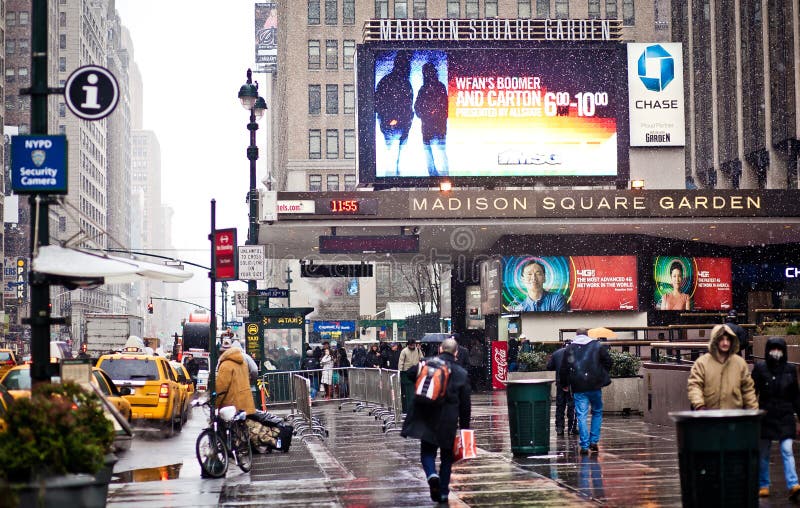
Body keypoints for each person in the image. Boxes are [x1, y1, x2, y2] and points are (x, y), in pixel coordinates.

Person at [401, 338, 471, 504]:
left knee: (427, 452)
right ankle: (444, 493)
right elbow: (465, 405)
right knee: (447, 457)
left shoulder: (427, 363)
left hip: (428, 415)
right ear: (456, 352)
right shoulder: (461, 373)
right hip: (448, 420)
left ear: (440, 349)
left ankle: (432, 475)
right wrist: (465, 428)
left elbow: (409, 374)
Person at [752, 337, 800, 500]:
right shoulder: (760, 368)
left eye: (779, 349)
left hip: (785, 416)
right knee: (764, 452)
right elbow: (752, 391)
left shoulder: (790, 369)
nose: (776, 352)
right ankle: (763, 485)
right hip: (766, 416)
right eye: (773, 348)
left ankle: (793, 484)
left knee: (787, 450)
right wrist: (752, 412)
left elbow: (795, 396)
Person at [559, 328, 612, 454]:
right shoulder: (597, 346)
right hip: (595, 385)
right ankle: (594, 441)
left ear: (576, 335)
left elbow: (564, 368)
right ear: (587, 334)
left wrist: (564, 384)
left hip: (578, 386)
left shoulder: (570, 348)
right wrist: (601, 373)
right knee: (597, 412)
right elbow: (608, 361)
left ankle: (584, 445)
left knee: (581, 415)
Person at [687, 324, 757, 410]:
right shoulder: (702, 363)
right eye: (721, 339)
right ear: (715, 340)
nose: (725, 343)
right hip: (709, 414)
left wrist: (753, 410)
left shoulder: (740, 363)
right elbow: (695, 386)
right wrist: (699, 406)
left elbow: (748, 390)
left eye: (728, 339)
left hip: (734, 414)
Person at [375, 51, 413, 176]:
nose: (408, 67)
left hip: (398, 125)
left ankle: (393, 179)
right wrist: (393, 119)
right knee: (395, 157)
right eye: (407, 64)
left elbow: (377, 103)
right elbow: (379, 103)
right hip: (396, 125)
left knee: (394, 157)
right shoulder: (400, 82)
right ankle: (394, 179)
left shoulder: (388, 81)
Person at [414, 62, 449, 176]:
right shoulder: (438, 87)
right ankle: (442, 177)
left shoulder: (425, 89)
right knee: (438, 154)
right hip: (435, 127)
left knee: (432, 154)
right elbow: (445, 108)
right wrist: (431, 114)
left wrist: (426, 115)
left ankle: (436, 177)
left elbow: (417, 108)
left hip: (430, 127)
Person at [215, 338, 256, 415]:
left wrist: (215, 404)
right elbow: (254, 370)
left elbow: (221, 389)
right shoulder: (243, 362)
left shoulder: (225, 365)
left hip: (231, 407)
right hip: (246, 403)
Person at [547, 344, 577, 437]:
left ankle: (559, 427)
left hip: (560, 382)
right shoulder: (575, 353)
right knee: (572, 405)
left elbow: (549, 366)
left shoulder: (556, 353)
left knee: (560, 405)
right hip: (571, 383)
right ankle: (571, 428)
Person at [398, 339, 424, 412]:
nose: (412, 346)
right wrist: (400, 371)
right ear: (408, 345)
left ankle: (414, 408)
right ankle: (407, 408)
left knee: (414, 390)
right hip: (406, 372)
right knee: (407, 391)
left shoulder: (418, 350)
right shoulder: (404, 351)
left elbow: (422, 358)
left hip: (416, 371)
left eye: (413, 345)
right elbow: (401, 362)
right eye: (411, 345)